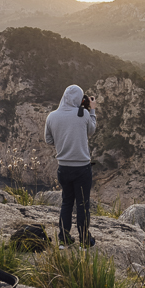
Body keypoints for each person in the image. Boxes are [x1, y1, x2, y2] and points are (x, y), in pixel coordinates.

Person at [45, 84, 97, 248]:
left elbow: (48, 140)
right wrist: (92, 109)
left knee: (67, 202)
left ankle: (63, 238)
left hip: (64, 168)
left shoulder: (52, 116)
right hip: (82, 168)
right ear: (81, 99)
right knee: (83, 204)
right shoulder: (84, 114)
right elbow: (92, 130)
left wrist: (62, 140)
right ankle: (84, 240)